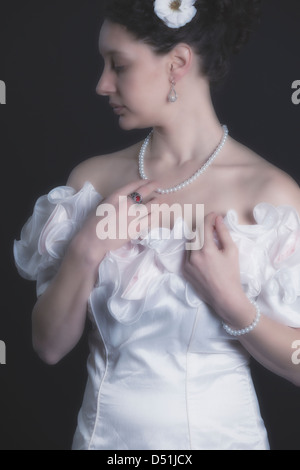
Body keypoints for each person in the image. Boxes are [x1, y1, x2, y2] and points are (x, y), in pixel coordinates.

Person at [13, 0, 300, 451]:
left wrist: (232, 302)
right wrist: (86, 250)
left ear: (178, 64)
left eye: (118, 65)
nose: (101, 84)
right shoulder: (91, 182)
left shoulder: (270, 194)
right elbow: (47, 347)